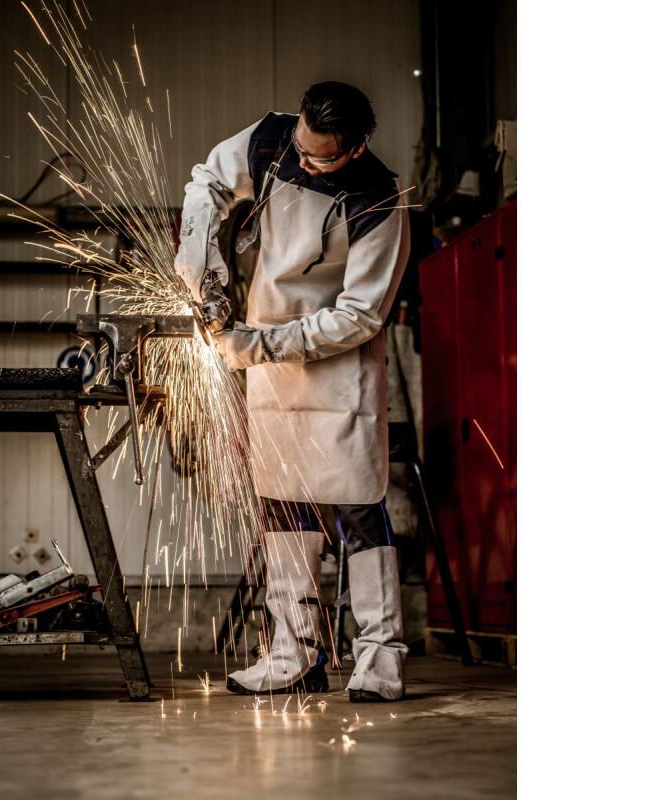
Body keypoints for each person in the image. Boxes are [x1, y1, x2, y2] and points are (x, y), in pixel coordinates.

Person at [174, 81, 410, 702]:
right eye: (301, 149)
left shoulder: (381, 200)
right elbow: (209, 181)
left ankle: (380, 657)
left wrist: (256, 344)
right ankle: (294, 653)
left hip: (339, 364)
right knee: (280, 498)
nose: (303, 163)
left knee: (356, 502)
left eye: (321, 159)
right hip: (265, 351)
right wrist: (200, 258)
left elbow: (360, 315)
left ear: (356, 148)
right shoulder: (271, 138)